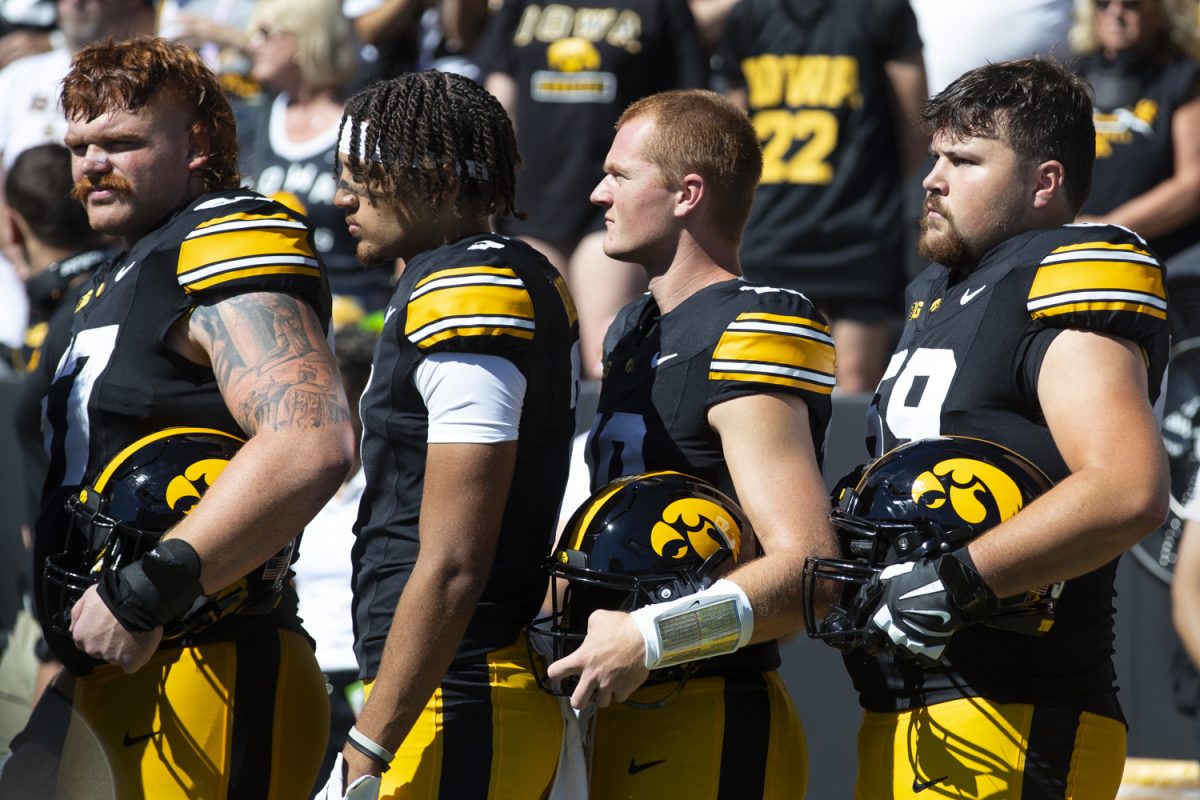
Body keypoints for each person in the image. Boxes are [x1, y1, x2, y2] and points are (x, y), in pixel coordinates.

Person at [0, 36, 354, 798]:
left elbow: (311, 437)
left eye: (121, 142)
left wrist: (143, 592)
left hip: (212, 661)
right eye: (79, 146)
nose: (92, 163)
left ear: (197, 144)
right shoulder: (116, 270)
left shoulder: (224, 233)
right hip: (108, 668)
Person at [828, 58, 1169, 798]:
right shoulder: (936, 290)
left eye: (964, 160)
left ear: (1044, 182)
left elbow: (1128, 487)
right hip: (907, 708)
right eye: (935, 156)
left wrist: (955, 580)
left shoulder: (1065, 268)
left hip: (1016, 715)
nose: (933, 178)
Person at [544, 88, 839, 797]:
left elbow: (811, 572)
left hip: (706, 707)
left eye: (619, 175)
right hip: (614, 702)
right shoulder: (630, 330)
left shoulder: (749, 325)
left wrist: (653, 637)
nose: (596, 192)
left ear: (688, 193)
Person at [322, 70, 579, 799]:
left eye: (364, 179)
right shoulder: (473, 272)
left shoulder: (470, 289)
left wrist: (370, 740)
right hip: (449, 685)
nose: (343, 199)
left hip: (459, 690)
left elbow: (455, 561)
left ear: (432, 180)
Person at [479, 0, 708, 379]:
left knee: (606, 350)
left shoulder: (660, 7)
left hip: (614, 196)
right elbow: (500, 92)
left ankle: (612, 439)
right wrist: (489, 182)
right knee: (539, 349)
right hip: (530, 200)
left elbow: (682, 107)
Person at [718, 0, 928, 394]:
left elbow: (916, 123)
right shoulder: (749, 15)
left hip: (858, 229)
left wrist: (870, 185)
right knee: (775, 384)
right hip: (771, 231)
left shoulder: (882, 10)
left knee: (852, 380)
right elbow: (734, 132)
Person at [239, 0, 395, 313]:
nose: (252, 44)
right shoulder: (248, 124)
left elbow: (395, 238)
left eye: (266, 33)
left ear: (307, 38)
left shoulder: (362, 128)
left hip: (354, 311)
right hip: (263, 305)